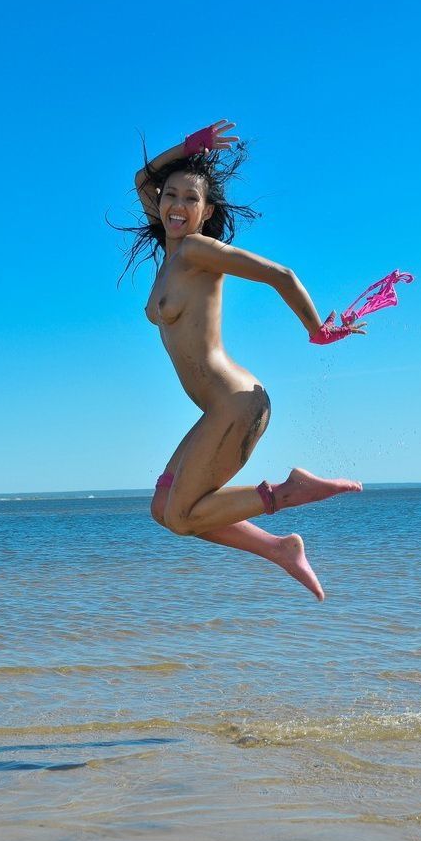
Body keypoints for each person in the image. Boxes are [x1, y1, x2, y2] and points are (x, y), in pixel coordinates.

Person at [127, 120, 367, 601]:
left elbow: (281, 274)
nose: (176, 205)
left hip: (236, 403)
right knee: (162, 507)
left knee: (181, 515)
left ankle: (288, 492)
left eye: (190, 199)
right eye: (170, 195)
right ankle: (280, 549)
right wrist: (191, 146)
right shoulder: (170, 257)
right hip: (216, 410)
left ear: (206, 210)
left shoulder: (198, 251)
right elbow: (141, 179)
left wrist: (317, 329)